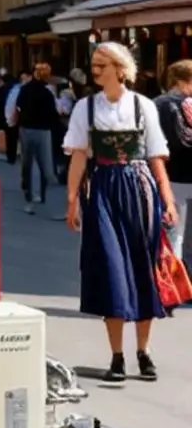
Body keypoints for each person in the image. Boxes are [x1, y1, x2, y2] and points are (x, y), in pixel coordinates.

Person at [65, 42, 178, 385]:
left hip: (139, 187)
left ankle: (143, 352)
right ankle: (116, 355)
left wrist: (168, 199)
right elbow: (79, 156)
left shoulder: (143, 106)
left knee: (143, 266)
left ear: (119, 67)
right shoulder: (84, 108)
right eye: (94, 64)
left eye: (102, 64)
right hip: (101, 189)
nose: (95, 70)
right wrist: (72, 199)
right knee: (110, 267)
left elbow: (156, 156)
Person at [14, 57, 62, 214]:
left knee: (27, 162)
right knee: (44, 164)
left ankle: (28, 192)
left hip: (26, 129)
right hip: (43, 131)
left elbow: (18, 106)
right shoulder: (48, 94)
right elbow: (53, 116)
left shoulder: (25, 89)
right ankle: (41, 194)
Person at [154, 61, 192, 262]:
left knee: (174, 234)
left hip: (170, 174)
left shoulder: (156, 104)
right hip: (179, 173)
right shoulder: (179, 104)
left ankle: (176, 285)